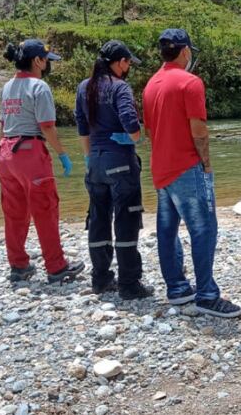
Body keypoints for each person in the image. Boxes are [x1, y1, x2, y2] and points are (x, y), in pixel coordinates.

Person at [142, 28, 241, 318]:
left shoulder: (150, 85)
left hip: (161, 169)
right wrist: (207, 163)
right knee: (204, 229)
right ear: (185, 51)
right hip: (187, 167)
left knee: (167, 229)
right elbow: (198, 129)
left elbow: (149, 131)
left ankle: (177, 288)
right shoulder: (190, 83)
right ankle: (207, 295)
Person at [0, 39, 85, 284]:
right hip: (29, 153)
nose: (48, 64)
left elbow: (3, 124)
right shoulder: (39, 87)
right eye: (46, 60)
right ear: (37, 61)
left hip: (6, 153)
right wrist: (62, 153)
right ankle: (56, 267)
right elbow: (47, 126)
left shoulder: (7, 87)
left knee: (14, 213)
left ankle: (19, 266)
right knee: (45, 210)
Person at [74, 40, 153, 300]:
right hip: (119, 160)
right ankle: (129, 284)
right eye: (128, 62)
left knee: (98, 218)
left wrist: (89, 158)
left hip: (94, 162)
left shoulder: (84, 87)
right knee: (127, 219)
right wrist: (136, 136)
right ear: (119, 62)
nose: (129, 67)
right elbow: (131, 124)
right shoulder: (120, 88)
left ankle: (101, 278)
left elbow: (83, 128)